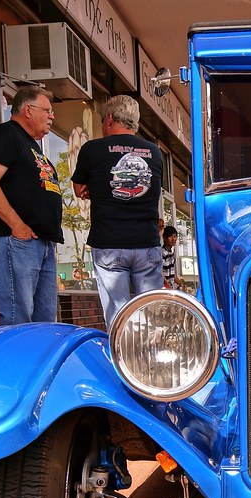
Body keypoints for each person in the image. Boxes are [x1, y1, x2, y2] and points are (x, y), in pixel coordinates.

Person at [72, 95, 164, 326]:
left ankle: (120, 349)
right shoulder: (154, 152)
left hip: (109, 243)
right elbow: (153, 188)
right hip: (147, 242)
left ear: (110, 118)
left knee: (119, 317)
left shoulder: (92, 149)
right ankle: (150, 349)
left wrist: (96, 187)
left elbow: (79, 189)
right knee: (151, 314)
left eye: (103, 119)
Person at [0, 86, 63, 324]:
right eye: (47, 110)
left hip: (41, 243)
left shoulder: (31, 146)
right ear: (28, 110)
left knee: (45, 320)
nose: (52, 116)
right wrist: (17, 225)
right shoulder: (5, 135)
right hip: (17, 241)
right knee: (18, 318)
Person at [160, 219, 184, 290]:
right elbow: (160, 273)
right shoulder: (162, 253)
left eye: (175, 236)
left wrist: (181, 283)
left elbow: (172, 275)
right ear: (164, 238)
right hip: (164, 289)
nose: (173, 239)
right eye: (170, 237)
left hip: (171, 287)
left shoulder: (171, 253)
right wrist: (169, 288)